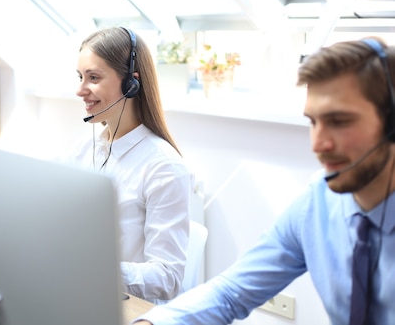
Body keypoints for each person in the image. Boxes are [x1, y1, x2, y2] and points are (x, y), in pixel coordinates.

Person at [135, 37, 395, 324]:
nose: (319, 143)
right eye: (313, 122)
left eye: (340, 121)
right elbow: (231, 293)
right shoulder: (317, 203)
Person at [71, 27, 191, 303]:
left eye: (93, 77)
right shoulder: (85, 148)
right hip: (81, 297)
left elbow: (167, 277)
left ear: (131, 84)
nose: (80, 90)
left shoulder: (164, 167)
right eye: (80, 77)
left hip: (125, 309)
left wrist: (98, 271)